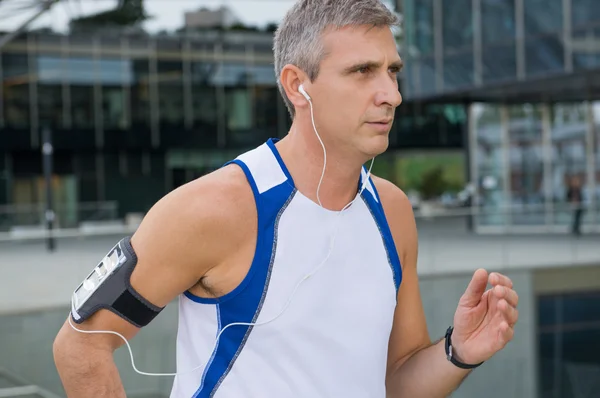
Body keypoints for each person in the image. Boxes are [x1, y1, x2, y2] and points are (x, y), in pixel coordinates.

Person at [52, 1, 519, 397]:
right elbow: (80, 346)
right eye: (362, 72)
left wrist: (458, 351)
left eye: (392, 71)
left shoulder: (391, 211)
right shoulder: (214, 207)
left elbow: (394, 380)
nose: (391, 95)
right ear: (298, 86)